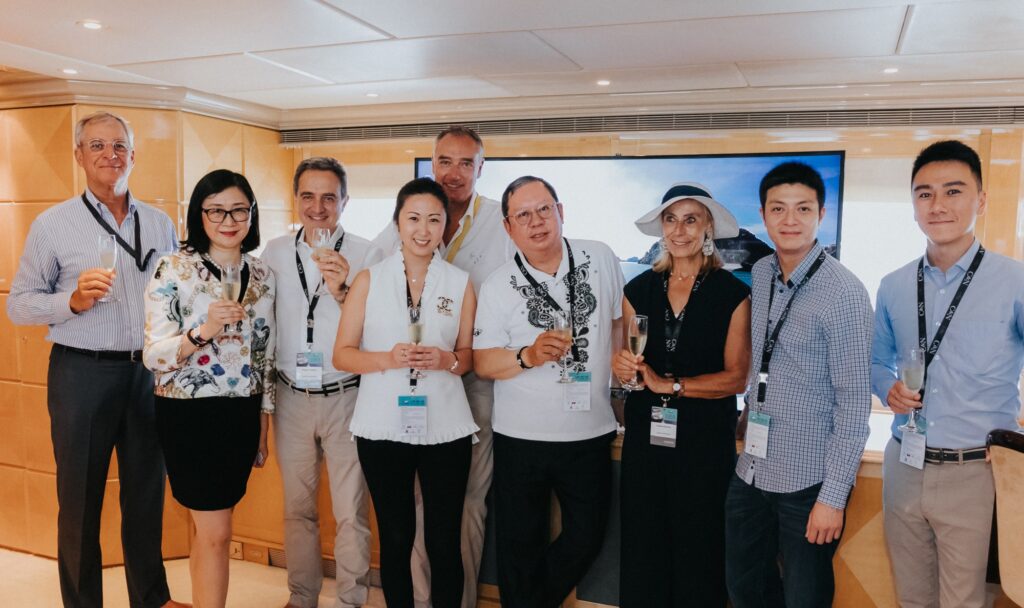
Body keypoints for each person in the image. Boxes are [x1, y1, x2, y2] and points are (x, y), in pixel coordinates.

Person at [6, 110, 186, 608]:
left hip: (148, 373)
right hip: (82, 373)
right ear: (79, 155)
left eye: (120, 146)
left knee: (146, 495)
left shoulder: (160, 222)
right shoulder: (53, 224)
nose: (111, 155)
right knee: (80, 502)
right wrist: (71, 302)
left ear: (134, 154)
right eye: (98, 146)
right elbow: (18, 304)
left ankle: (150, 599)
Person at [872, 140, 1024, 608]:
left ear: (980, 200)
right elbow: (876, 361)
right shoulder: (894, 285)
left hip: (975, 471)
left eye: (953, 191)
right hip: (905, 463)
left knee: (965, 602)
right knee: (912, 599)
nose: (937, 205)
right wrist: (888, 389)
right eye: (924, 193)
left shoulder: (1014, 281)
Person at [370, 125, 511, 608]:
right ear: (432, 163)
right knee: (404, 515)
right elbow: (365, 293)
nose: (454, 172)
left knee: (462, 508)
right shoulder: (398, 228)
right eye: (444, 161)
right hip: (404, 387)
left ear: (481, 168)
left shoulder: (501, 221)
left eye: (466, 163)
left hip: (474, 383)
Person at [725, 162, 873, 608]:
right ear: (764, 214)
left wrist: (832, 498)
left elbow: (853, 405)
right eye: (779, 209)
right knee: (745, 588)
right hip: (751, 468)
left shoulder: (844, 292)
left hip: (807, 481)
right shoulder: (765, 271)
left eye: (803, 208)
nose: (790, 220)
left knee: (804, 597)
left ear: (820, 215)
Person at [474, 176, 624, 608]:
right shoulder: (498, 285)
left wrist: (619, 384)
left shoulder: (600, 257)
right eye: (523, 215)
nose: (536, 222)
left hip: (590, 431)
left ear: (561, 212)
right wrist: (528, 355)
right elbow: (484, 363)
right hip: (520, 437)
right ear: (508, 227)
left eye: (544, 210)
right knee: (519, 546)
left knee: (587, 536)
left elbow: (616, 323)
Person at [335, 177, 478, 608]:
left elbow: (467, 356)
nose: (423, 229)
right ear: (397, 222)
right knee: (396, 537)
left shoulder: (460, 283)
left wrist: (446, 361)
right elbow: (342, 355)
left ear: (445, 227)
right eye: (413, 218)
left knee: (443, 539)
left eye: (434, 220)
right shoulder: (368, 280)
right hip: (381, 425)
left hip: (447, 426)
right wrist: (388, 359)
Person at [613, 183, 751, 606]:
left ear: (707, 226)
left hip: (705, 445)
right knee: (643, 551)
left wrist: (671, 385)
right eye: (671, 219)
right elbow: (631, 367)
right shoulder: (638, 290)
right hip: (645, 444)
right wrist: (626, 372)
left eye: (691, 219)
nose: (680, 230)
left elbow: (737, 379)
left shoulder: (733, 293)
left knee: (700, 554)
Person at [143, 169, 276, 608]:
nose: (228, 219)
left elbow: (264, 354)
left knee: (210, 531)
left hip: (241, 411)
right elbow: (153, 356)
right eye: (215, 209)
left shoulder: (262, 274)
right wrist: (203, 331)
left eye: (239, 209)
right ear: (199, 214)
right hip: (189, 412)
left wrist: (264, 415)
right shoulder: (173, 267)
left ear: (251, 214)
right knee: (218, 534)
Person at [262, 157, 375, 608]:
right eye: (308, 196)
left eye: (329, 197)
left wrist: (343, 291)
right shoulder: (272, 253)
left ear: (344, 201)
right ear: (296, 199)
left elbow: (382, 330)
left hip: (347, 394)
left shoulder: (369, 253)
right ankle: (301, 596)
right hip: (292, 396)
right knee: (297, 510)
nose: (318, 206)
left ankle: (351, 600)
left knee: (351, 513)